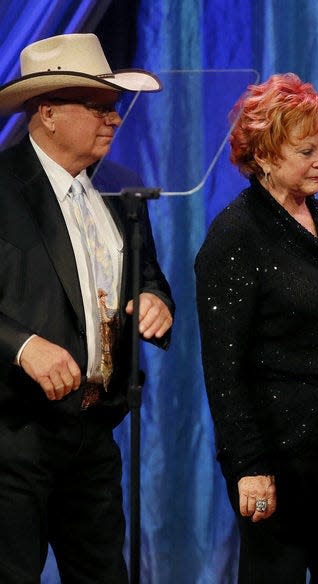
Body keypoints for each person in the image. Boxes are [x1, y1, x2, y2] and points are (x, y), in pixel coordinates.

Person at [195, 73, 318, 583]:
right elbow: (224, 368)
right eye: (306, 149)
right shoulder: (236, 234)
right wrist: (247, 466)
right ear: (263, 154)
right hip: (277, 462)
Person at [0, 33, 174, 582]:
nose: (114, 119)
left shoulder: (120, 192)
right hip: (14, 435)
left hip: (95, 432)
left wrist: (155, 302)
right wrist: (23, 346)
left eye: (115, 107)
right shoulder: (2, 185)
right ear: (47, 112)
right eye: (98, 107)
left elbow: (150, 277)